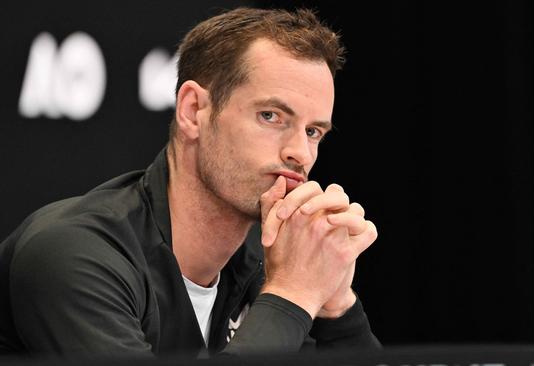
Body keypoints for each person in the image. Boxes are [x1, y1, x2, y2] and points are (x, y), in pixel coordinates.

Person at [0, 7, 380, 358]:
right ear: (193, 110)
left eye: (313, 131)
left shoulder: (270, 261)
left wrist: (335, 304)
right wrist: (291, 295)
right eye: (271, 116)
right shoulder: (73, 254)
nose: (301, 153)